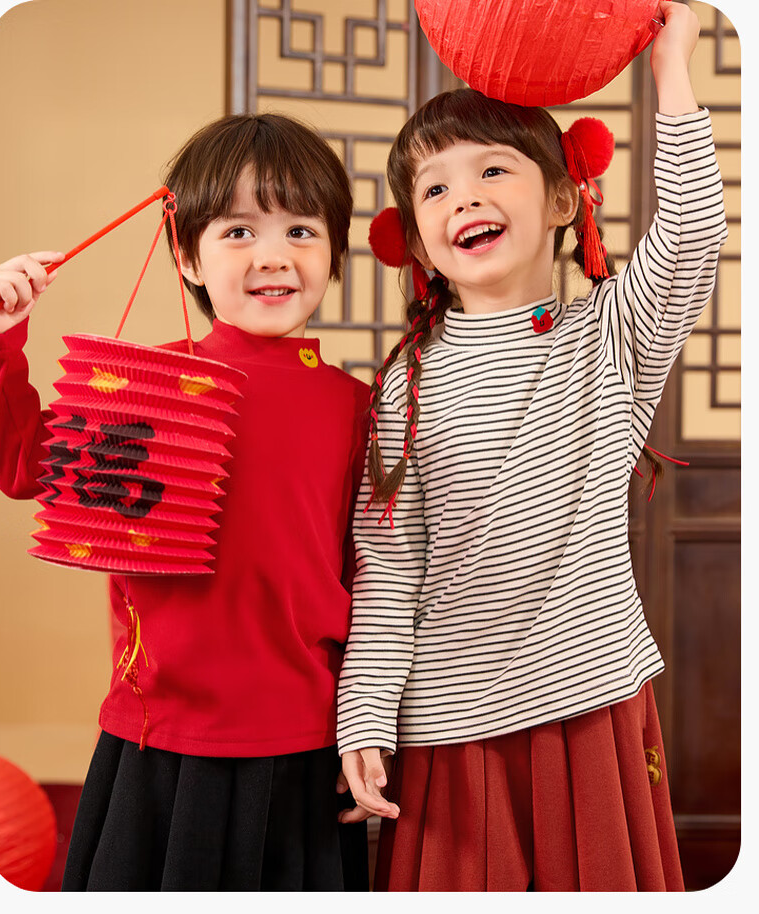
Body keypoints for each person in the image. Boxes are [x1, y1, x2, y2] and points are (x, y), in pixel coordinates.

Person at [335, 1, 726, 892]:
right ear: (417, 242)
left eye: (491, 170)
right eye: (434, 189)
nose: (464, 198)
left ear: (561, 198)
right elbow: (390, 570)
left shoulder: (612, 334)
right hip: (449, 722)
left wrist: (671, 70)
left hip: (590, 694)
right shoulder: (404, 384)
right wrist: (365, 713)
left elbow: (692, 235)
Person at [0, 113, 371, 891]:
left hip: (305, 734)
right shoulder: (145, 384)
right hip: (159, 731)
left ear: (335, 253)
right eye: (239, 232)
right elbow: (26, 466)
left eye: (301, 230)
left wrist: (369, 722)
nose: (273, 256)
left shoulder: (361, 406)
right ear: (188, 255)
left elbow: (377, 577)